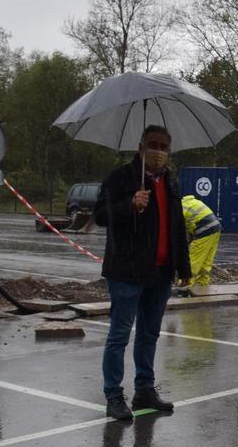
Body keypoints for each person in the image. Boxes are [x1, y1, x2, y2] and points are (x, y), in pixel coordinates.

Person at [94, 125, 191, 422]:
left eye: (163, 146)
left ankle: (144, 389)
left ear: (169, 151)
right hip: (127, 270)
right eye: (153, 145)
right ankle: (113, 394)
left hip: (161, 272)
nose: (158, 152)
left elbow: (177, 226)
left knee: (149, 334)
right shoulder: (121, 177)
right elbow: (99, 215)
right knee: (120, 335)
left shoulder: (170, 182)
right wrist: (128, 204)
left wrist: (184, 266)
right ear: (140, 147)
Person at [181, 194, 221, 287]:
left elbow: (178, 230)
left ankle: (185, 285)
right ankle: (202, 283)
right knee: (206, 260)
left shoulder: (179, 209)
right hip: (216, 229)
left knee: (193, 259)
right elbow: (191, 223)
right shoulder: (190, 203)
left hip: (204, 230)